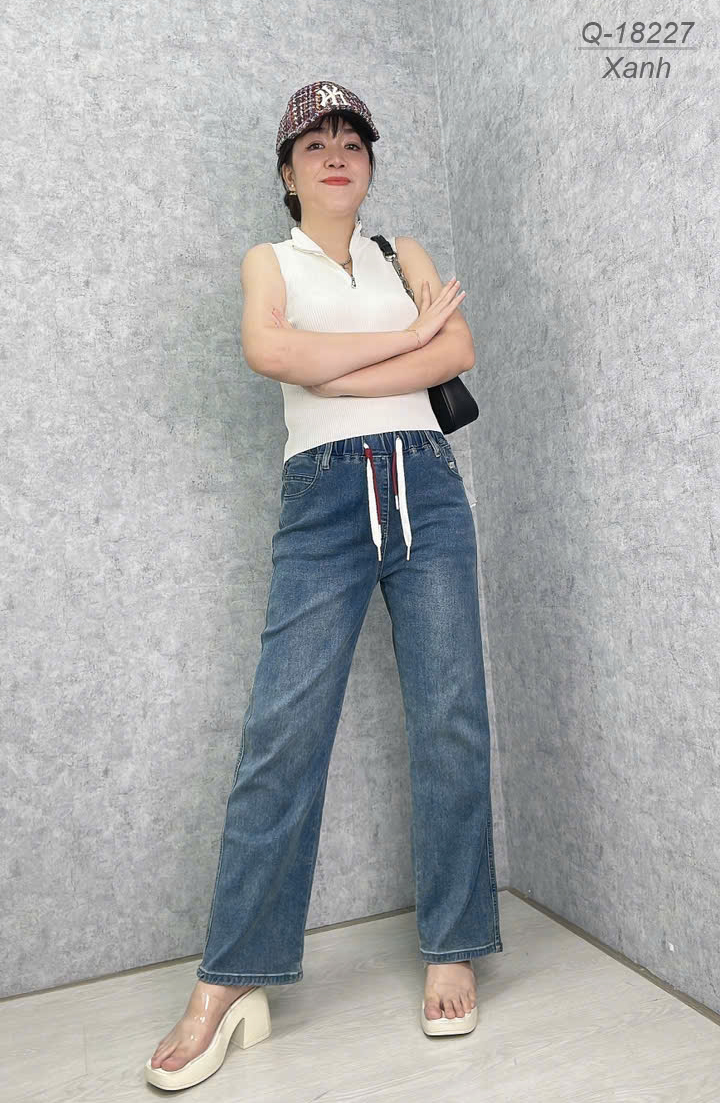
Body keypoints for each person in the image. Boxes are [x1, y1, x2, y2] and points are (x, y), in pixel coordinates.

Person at [145, 80, 503, 1091]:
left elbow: (460, 348)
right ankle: (230, 976)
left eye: (352, 141)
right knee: (282, 734)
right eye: (315, 144)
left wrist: (334, 365)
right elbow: (270, 351)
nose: (337, 154)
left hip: (427, 488)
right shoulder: (270, 261)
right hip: (325, 499)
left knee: (451, 717)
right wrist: (406, 341)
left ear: (370, 164)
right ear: (289, 170)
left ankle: (455, 941)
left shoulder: (404, 253)